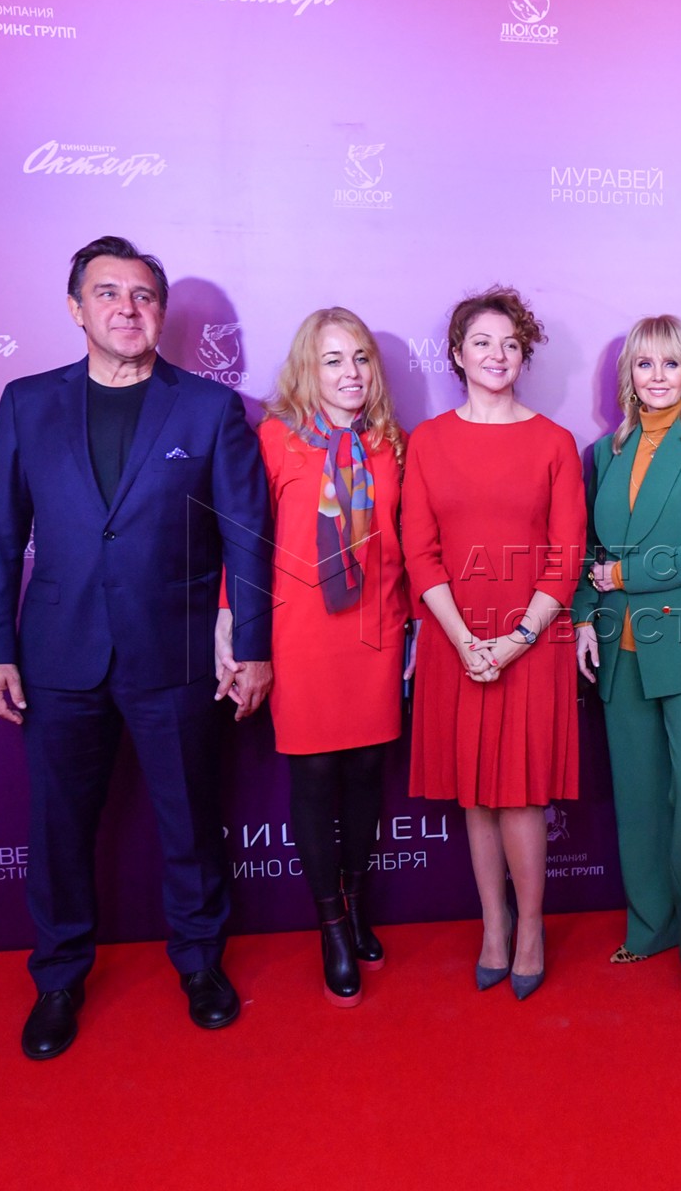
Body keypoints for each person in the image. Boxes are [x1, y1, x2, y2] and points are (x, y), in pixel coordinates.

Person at [0, 236, 273, 1059]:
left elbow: (246, 537)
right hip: (58, 655)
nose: (127, 309)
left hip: (175, 655)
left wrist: (252, 644)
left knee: (191, 821)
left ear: (161, 314)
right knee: (59, 828)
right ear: (76, 309)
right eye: (107, 293)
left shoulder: (209, 409)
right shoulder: (27, 402)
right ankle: (59, 979)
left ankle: (200, 964)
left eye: (143, 296)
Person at [401, 286, 585, 1001]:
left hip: (531, 638)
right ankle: (493, 927)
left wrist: (515, 639)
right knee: (475, 794)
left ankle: (531, 929)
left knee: (522, 795)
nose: (497, 355)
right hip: (455, 638)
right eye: (482, 342)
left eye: (510, 344)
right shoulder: (428, 441)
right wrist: (464, 640)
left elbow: (566, 557)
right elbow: (420, 552)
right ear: (457, 354)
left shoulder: (554, 443)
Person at [572, 316, 681, 1008]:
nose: (658, 376)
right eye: (645, 364)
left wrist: (623, 576)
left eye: (671, 363)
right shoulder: (604, 452)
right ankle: (649, 927)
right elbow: (589, 548)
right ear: (629, 376)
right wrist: (584, 614)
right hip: (620, 650)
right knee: (639, 802)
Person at [252, 307, 410, 1008]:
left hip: (375, 631)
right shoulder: (276, 439)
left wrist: (413, 628)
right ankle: (332, 927)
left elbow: (407, 544)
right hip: (301, 634)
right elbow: (246, 541)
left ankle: (358, 903)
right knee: (315, 778)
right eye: (334, 360)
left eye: (361, 359)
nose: (352, 373)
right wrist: (237, 628)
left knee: (368, 774)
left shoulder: (391, 443)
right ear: (307, 370)